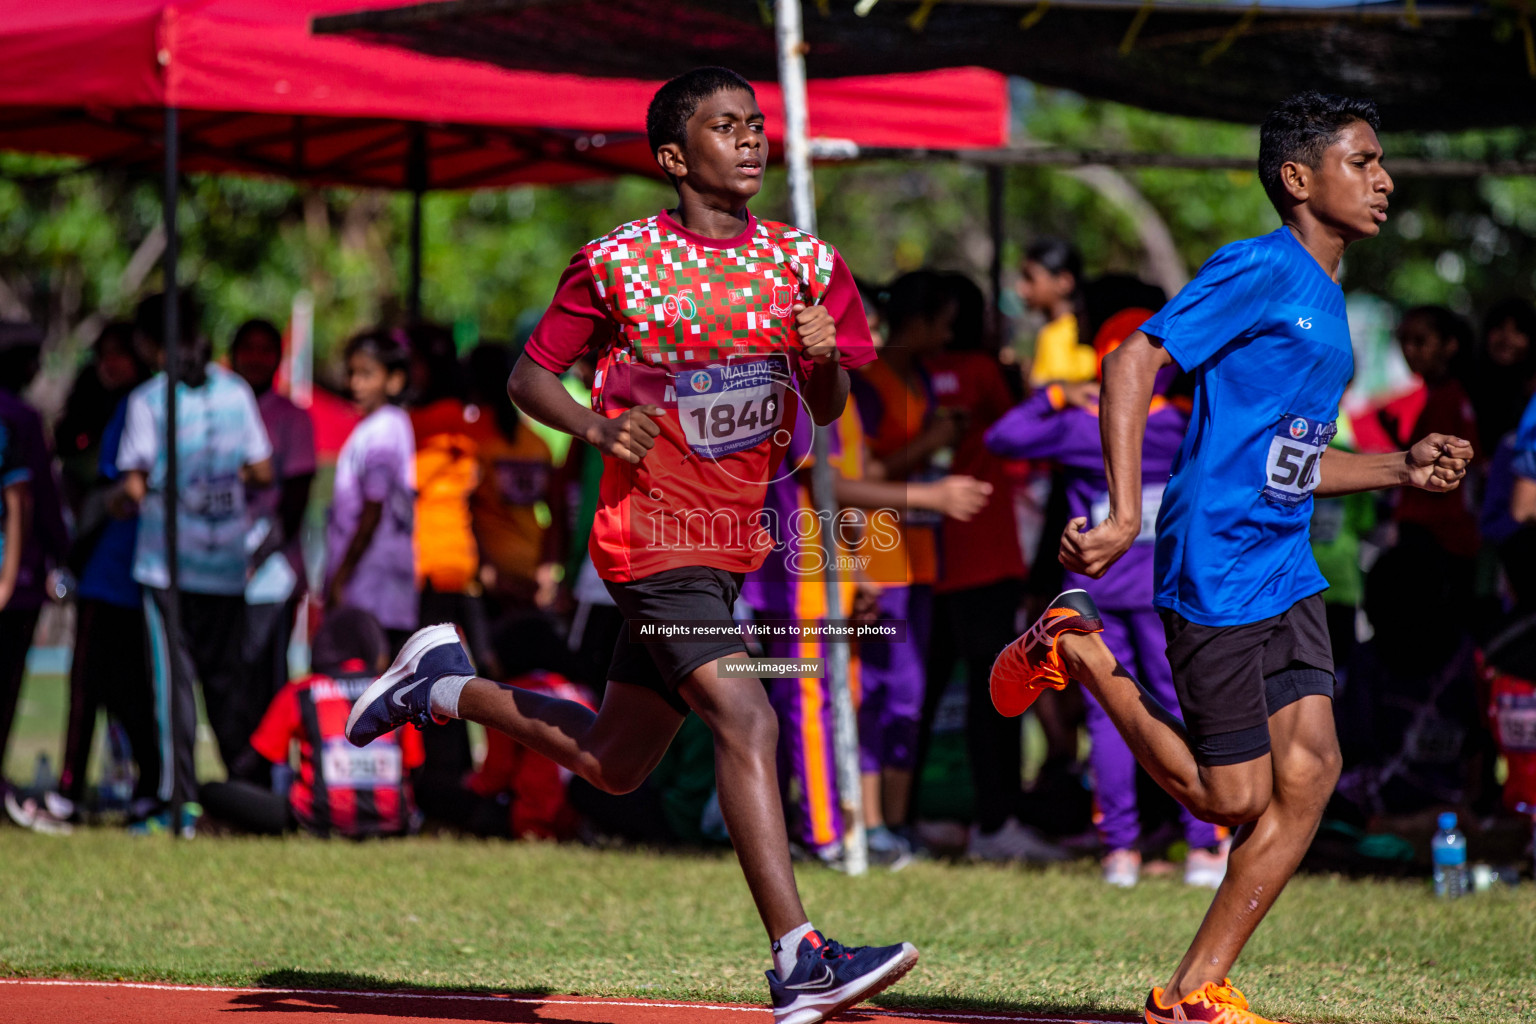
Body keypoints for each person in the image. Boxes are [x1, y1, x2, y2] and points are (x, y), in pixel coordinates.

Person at [346, 67, 917, 1024]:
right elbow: (532, 380)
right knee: (748, 720)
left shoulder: (807, 265)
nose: (748, 141)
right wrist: (596, 427)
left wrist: (821, 359)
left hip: (727, 539)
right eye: (724, 126)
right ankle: (799, 957)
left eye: (755, 125)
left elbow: (822, 416)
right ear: (671, 156)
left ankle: (441, 686)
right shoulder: (618, 261)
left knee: (617, 763)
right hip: (647, 534)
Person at [990, 93, 1472, 1024]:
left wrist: (1400, 466)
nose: (1385, 180)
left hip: (1286, 562)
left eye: (1381, 163)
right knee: (1230, 797)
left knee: (1311, 775)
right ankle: (1079, 646)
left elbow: (1289, 456)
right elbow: (1134, 360)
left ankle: (1189, 992)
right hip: (1214, 555)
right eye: (1363, 161)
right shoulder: (1259, 267)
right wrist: (1127, 511)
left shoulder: (1327, 303)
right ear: (1299, 178)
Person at [987, 324, 1227, 889]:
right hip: (1169, 589)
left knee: (1109, 719)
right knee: (1183, 707)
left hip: (1094, 594)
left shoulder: (1081, 424)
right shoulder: (1189, 423)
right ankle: (1203, 846)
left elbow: (1001, 438)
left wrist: (1053, 394)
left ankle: (1120, 851)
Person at [116, 293, 273, 837]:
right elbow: (261, 469)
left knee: (173, 690)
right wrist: (224, 480)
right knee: (227, 687)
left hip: (168, 570)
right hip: (227, 563)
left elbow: (134, 484)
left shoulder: (148, 400)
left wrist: (116, 499)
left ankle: (176, 800)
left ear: (146, 343)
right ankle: (244, 795)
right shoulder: (235, 393)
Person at [200, 606, 423, 837]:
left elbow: (253, 762)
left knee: (211, 791)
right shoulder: (398, 695)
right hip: (393, 822)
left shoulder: (301, 692)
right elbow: (415, 766)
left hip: (314, 820)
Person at [57, 324, 157, 821]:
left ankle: (75, 793)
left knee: (106, 687)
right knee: (105, 688)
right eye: (104, 355)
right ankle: (86, 787)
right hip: (108, 566)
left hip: (121, 570)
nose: (109, 364)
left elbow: (123, 489)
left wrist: (108, 501)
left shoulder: (139, 404)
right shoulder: (97, 407)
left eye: (122, 355)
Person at [231, 318, 317, 775]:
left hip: (271, 576)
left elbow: (296, 501)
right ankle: (238, 772)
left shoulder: (292, 417)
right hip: (219, 571)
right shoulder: (222, 409)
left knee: (267, 680)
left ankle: (267, 778)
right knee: (232, 682)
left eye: (267, 350)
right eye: (248, 348)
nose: (256, 359)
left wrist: (257, 557)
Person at [325, 329, 417, 651]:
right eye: (352, 373)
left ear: (394, 380)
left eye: (367, 374)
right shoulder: (387, 425)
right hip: (381, 588)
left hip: (371, 587)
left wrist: (341, 575)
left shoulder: (382, 430)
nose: (355, 384)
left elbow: (372, 510)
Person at [1020, 238, 1094, 388]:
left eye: (1030, 279)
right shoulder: (1051, 332)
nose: (1022, 289)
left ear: (1064, 281)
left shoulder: (1067, 334)